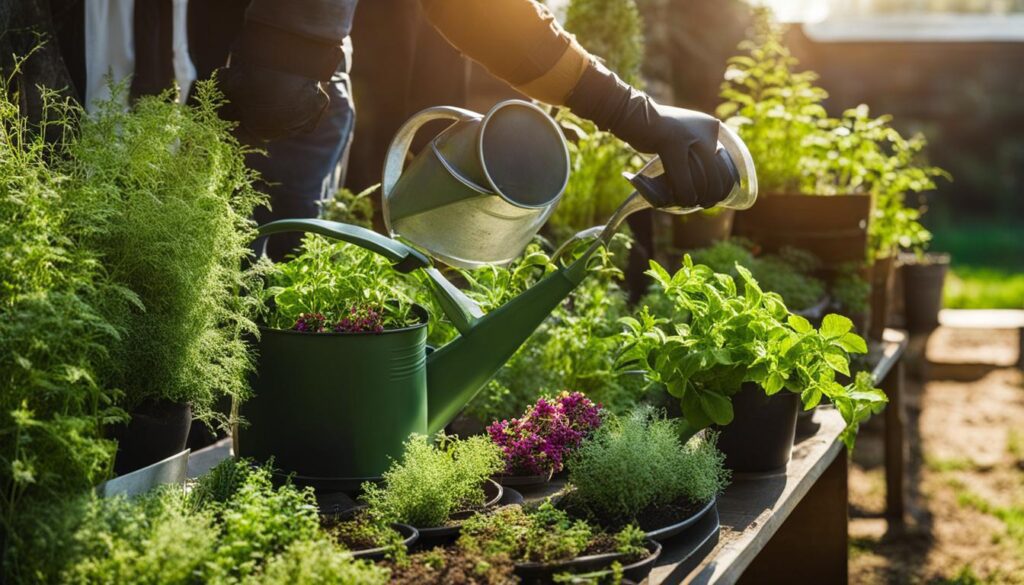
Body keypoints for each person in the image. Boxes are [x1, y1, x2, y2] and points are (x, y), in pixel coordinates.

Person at [216, 0, 735, 258]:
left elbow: (483, 15)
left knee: (270, 313)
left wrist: (632, 112)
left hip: (309, 88)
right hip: (224, 77)